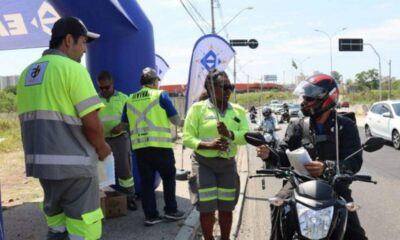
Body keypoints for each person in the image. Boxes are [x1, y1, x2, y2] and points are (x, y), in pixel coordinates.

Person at [16, 17, 111, 240]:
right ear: (69, 40)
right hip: (75, 169)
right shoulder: (73, 70)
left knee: (57, 228)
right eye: (83, 43)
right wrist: (103, 148)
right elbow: (92, 124)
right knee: (84, 231)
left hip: (43, 169)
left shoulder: (26, 74)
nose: (84, 50)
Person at [256, 74, 367, 240]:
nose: (304, 102)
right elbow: (284, 153)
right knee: (278, 203)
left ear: (326, 98)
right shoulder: (297, 125)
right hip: (299, 183)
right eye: (304, 98)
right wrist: (269, 154)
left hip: (334, 185)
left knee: (355, 233)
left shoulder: (346, 126)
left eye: (309, 98)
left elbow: (354, 161)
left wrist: (326, 166)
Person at [183, 69, 249, 240]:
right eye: (224, 87)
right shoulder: (197, 109)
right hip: (204, 164)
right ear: (211, 89)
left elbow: (246, 136)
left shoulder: (238, 111)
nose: (228, 91)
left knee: (226, 207)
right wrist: (207, 145)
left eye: (230, 87)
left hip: (227, 165)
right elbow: (187, 137)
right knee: (207, 208)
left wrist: (230, 134)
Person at [121, 67, 185, 226]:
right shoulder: (160, 95)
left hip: (141, 149)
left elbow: (123, 125)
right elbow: (176, 121)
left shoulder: (129, 100)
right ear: (155, 82)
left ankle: (151, 216)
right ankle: (171, 211)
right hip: (161, 147)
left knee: (146, 183)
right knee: (169, 178)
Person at [97, 71, 137, 211]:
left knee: (124, 171)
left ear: (112, 84)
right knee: (101, 171)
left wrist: (122, 126)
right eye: (101, 88)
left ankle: (129, 198)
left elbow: (133, 119)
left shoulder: (123, 98)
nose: (104, 91)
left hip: (120, 139)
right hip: (101, 140)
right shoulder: (95, 100)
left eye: (106, 87)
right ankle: (102, 202)